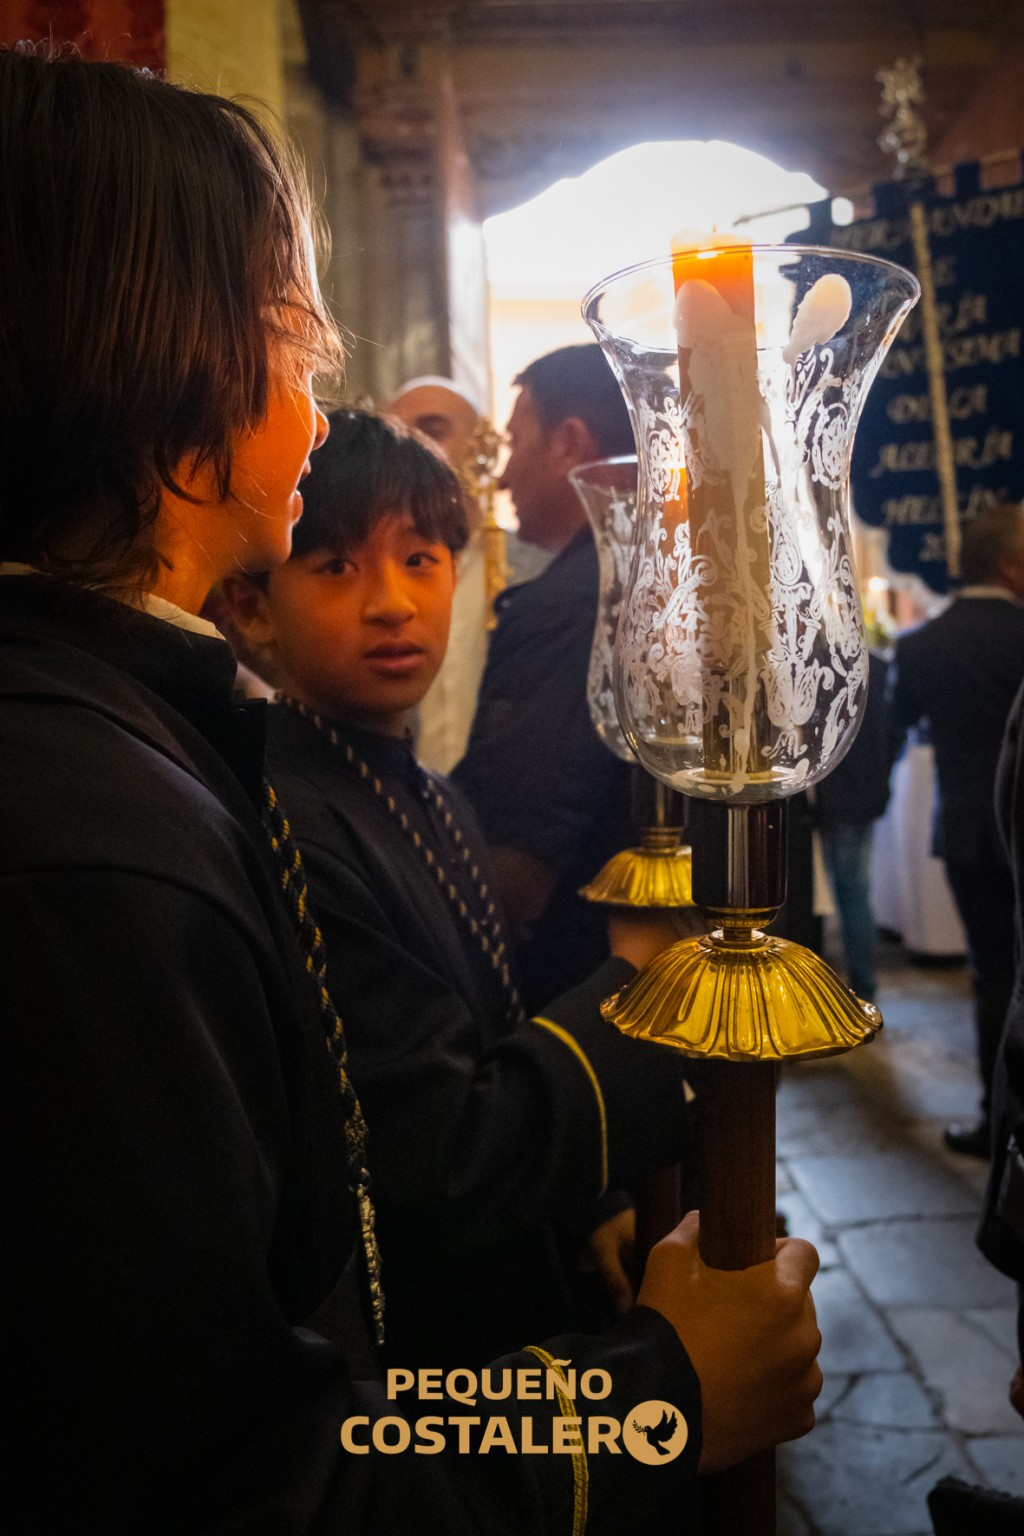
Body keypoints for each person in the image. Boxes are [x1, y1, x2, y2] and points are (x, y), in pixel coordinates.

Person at [2, 46, 821, 1534]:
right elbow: (230, 1483)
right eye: (285, 332)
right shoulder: (82, 842)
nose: (316, 401)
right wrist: (652, 1396)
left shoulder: (144, 747)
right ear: (151, 347)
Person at [222, 405, 700, 1367]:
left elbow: (491, 1021)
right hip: (409, 1325)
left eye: (420, 560)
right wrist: (634, 978)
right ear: (250, 609)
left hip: (509, 1265)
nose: (392, 601)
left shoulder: (432, 793)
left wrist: (595, 1201)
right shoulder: (284, 818)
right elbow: (438, 1153)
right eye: (337, 567)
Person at [453, 345, 637, 1011]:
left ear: (569, 443)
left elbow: (513, 856)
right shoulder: (666, 568)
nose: (501, 477)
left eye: (514, 440)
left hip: (583, 988)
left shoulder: (578, 600)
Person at [891, 503, 1024, 1157]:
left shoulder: (921, 647)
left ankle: (998, 1122)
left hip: (970, 829)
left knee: (995, 975)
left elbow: (893, 730)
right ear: (1009, 566)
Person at [389, 376, 490, 773]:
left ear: (481, 444)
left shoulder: (532, 567)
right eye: (396, 435)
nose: (410, 450)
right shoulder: (375, 578)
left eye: (432, 430)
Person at [814, 650, 898, 1002]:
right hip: (868, 790)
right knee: (854, 890)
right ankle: (864, 986)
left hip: (835, 792)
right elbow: (896, 732)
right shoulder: (877, 663)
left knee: (839, 891)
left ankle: (855, 987)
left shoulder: (816, 664)